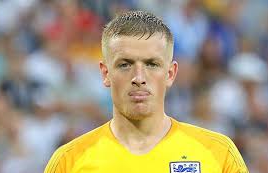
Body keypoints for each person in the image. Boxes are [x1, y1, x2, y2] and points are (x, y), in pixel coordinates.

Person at [44, 11, 249, 173]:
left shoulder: (219, 154)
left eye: (152, 64)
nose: (139, 77)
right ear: (105, 73)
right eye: (125, 64)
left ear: (170, 73)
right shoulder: (69, 162)